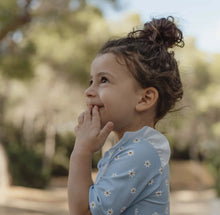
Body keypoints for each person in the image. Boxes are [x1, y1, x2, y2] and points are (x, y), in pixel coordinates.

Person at [68, 16, 184, 215]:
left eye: (103, 80)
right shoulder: (132, 148)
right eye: (90, 81)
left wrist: (81, 150)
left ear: (145, 98)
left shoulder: (141, 152)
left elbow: (84, 211)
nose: (88, 91)